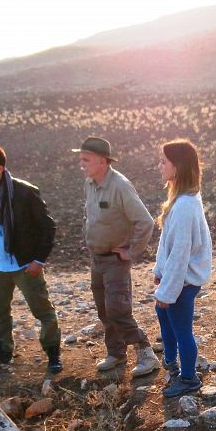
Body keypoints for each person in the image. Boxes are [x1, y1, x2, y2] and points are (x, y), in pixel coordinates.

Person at [74, 136, 159, 377]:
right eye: (80, 159)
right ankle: (116, 353)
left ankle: (145, 352)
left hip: (115, 260)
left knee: (117, 308)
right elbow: (89, 216)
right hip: (97, 259)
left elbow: (145, 221)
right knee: (103, 309)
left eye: (86, 160)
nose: (81, 164)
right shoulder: (90, 183)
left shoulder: (120, 185)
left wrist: (131, 251)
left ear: (102, 161)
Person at [0, 145, 63, 374]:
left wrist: (39, 260)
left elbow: (48, 226)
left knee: (43, 311)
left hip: (24, 264)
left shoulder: (25, 192)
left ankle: (53, 353)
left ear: (0, 168)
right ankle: (4, 349)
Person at [152, 139, 212, 398]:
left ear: (178, 167)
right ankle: (171, 361)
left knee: (182, 328)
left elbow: (179, 255)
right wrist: (158, 270)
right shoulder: (181, 200)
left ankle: (188, 378)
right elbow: (167, 243)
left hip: (183, 282)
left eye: (164, 162)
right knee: (163, 314)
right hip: (177, 279)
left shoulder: (185, 206)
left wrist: (168, 292)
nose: (159, 166)